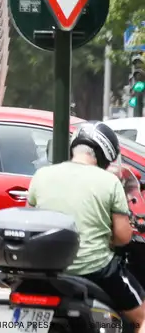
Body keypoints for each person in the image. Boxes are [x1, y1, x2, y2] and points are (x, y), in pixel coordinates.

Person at [28, 122, 144, 329]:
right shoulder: (109, 182)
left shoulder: (41, 176)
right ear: (105, 154)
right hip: (93, 268)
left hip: (48, 269)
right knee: (142, 317)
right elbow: (123, 237)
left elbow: (29, 220)